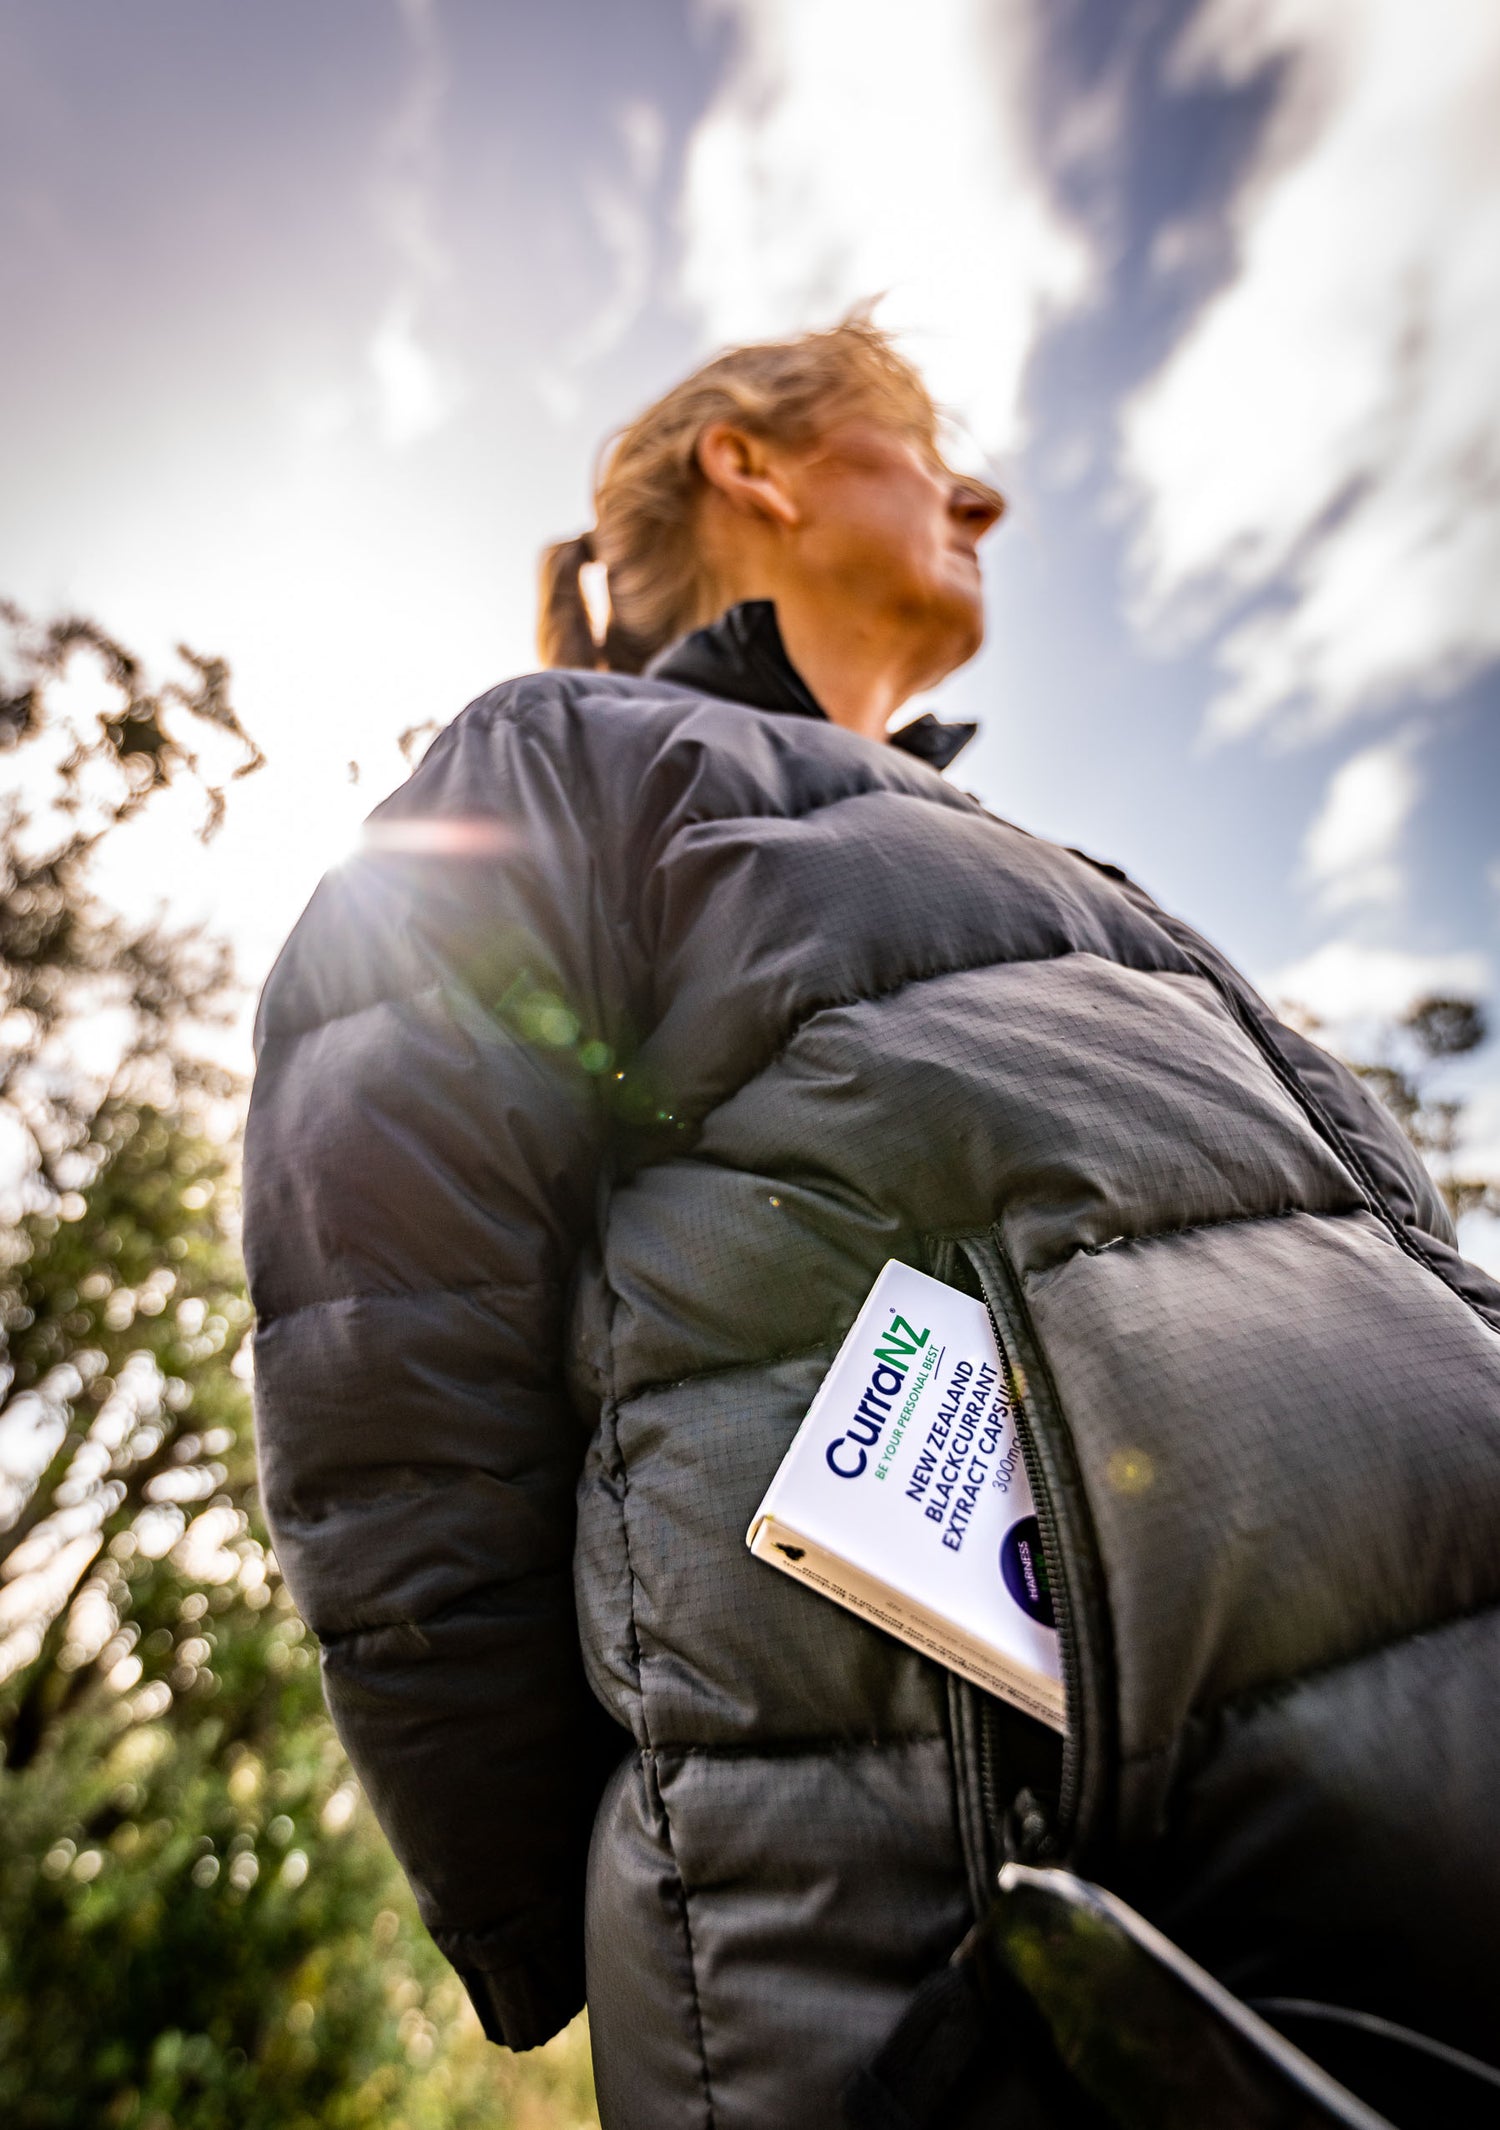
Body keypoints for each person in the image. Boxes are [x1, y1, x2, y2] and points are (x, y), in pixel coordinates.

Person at [244, 319, 1500, 2129]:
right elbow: (385, 1337)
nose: (978, 491)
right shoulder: (562, 760)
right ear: (749, 469)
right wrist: (576, 1900)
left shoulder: (1039, 853)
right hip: (1064, 1964)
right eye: (927, 445)